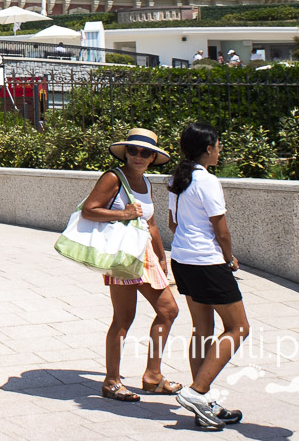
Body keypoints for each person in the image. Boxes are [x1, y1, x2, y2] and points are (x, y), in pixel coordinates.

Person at [79, 128, 180, 403]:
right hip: (123, 256)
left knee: (168, 311)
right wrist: (123, 213)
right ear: (126, 152)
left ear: (152, 158)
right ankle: (112, 382)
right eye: (133, 151)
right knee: (124, 318)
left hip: (145, 255)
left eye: (145, 152)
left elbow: (152, 224)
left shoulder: (146, 182)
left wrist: (161, 258)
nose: (138, 156)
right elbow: (89, 209)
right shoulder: (114, 177)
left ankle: (152, 376)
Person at [169, 123, 249, 429]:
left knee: (202, 329)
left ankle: (204, 407)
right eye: (217, 145)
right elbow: (222, 230)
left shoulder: (177, 180)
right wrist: (228, 259)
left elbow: (173, 224)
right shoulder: (208, 182)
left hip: (183, 260)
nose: (219, 149)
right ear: (207, 149)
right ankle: (198, 392)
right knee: (239, 327)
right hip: (207, 263)